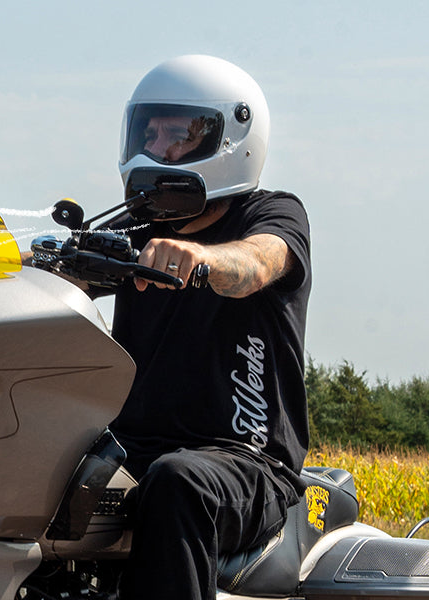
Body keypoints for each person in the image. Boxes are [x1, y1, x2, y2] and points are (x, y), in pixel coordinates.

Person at [106, 55, 312, 600]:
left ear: (231, 136)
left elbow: (259, 262)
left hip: (244, 461)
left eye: (176, 133)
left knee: (180, 482)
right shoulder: (133, 232)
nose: (158, 148)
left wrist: (200, 258)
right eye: (147, 131)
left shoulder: (273, 215)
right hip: (129, 449)